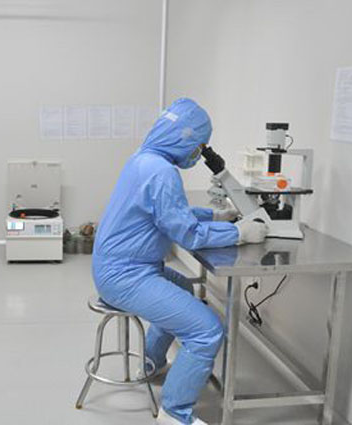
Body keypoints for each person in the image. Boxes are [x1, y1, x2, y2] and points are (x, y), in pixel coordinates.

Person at [92, 98, 268, 425]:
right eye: (199, 146)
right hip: (126, 276)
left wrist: (216, 216)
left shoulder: (143, 159)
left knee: (185, 288)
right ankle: (174, 413)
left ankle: (152, 364)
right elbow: (187, 233)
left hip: (121, 267)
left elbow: (170, 212)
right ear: (184, 138)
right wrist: (239, 233)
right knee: (206, 330)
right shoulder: (162, 171)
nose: (199, 154)